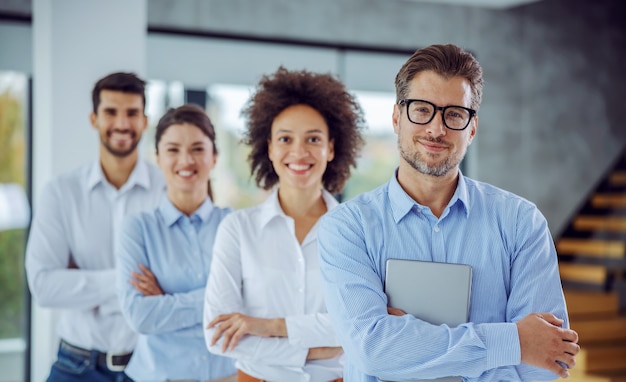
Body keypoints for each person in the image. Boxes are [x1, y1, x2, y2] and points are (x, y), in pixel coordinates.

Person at [317, 43, 580, 382]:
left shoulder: (520, 223)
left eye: (454, 114)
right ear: (397, 118)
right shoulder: (347, 227)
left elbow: (543, 363)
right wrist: (512, 340)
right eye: (422, 110)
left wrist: (408, 344)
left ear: (471, 128)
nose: (436, 129)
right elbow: (372, 350)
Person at [203, 67, 366, 382]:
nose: (299, 152)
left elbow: (359, 325)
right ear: (270, 148)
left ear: (331, 148)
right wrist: (317, 348)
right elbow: (218, 335)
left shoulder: (356, 233)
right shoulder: (237, 229)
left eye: (313, 139)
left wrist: (268, 326)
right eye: (285, 139)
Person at [25, 72, 166, 381]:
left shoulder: (167, 191)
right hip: (75, 366)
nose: (122, 124)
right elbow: (44, 287)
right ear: (94, 119)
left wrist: (81, 282)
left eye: (131, 113)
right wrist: (132, 283)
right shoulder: (61, 192)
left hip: (149, 366)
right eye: (111, 112)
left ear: (145, 120)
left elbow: (178, 284)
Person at [115, 104, 236, 382]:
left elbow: (255, 302)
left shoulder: (235, 225)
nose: (186, 160)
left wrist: (167, 302)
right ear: (157, 157)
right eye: (172, 149)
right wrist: (218, 301)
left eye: (197, 148)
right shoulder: (138, 228)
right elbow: (140, 316)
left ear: (214, 157)